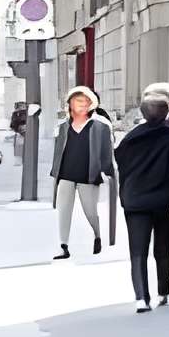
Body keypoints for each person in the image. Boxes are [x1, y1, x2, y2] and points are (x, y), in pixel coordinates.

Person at [114, 86, 169, 313]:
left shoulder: (129, 139)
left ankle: (141, 298)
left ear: (142, 113)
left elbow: (120, 164)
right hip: (165, 202)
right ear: (166, 113)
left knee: (137, 252)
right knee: (163, 249)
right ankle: (163, 290)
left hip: (135, 201)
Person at [46, 90, 107, 259]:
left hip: (87, 175)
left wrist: (107, 170)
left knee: (90, 211)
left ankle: (97, 235)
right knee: (64, 211)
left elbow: (106, 152)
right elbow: (58, 152)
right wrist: (55, 174)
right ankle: (63, 246)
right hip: (66, 174)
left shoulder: (99, 127)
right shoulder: (63, 127)